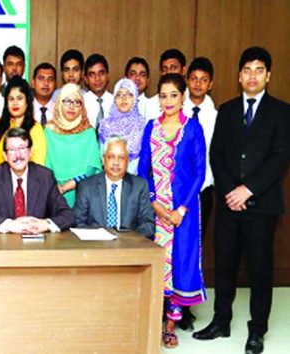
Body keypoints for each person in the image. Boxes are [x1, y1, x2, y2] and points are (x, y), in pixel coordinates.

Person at [195, 47, 290, 354]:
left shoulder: (282, 112)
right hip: (228, 204)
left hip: (262, 205)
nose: (252, 75)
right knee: (225, 265)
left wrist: (248, 190)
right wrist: (229, 192)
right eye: (247, 70)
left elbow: (280, 157)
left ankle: (257, 330)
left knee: (260, 269)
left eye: (258, 70)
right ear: (238, 76)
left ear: (268, 76)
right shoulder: (227, 110)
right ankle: (221, 321)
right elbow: (216, 155)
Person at [136, 73, 206, 349]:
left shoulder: (192, 129)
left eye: (173, 95)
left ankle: (170, 325)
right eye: (163, 96)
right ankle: (154, 320)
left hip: (183, 213)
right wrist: (154, 202)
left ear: (183, 97)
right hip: (156, 210)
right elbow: (143, 170)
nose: (168, 101)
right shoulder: (150, 128)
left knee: (179, 265)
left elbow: (200, 173)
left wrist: (180, 210)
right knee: (157, 264)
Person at [0, 128, 74, 233]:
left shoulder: (45, 176)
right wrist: (9, 225)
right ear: (5, 155)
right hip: (3, 245)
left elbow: (67, 215)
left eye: (22, 148)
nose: (18, 155)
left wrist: (46, 224)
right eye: (12, 149)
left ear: (30, 152)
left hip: (38, 245)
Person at [74, 137, 154, 238]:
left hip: (128, 248)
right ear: (103, 160)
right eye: (111, 157)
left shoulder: (139, 186)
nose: (116, 162)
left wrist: (126, 240)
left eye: (121, 157)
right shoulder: (86, 186)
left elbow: (148, 225)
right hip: (95, 248)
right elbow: (78, 223)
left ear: (128, 161)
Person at [44, 84, 101, 207]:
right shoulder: (49, 131)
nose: (71, 106)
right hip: (52, 192)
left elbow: (92, 169)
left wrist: (65, 187)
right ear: (59, 103)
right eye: (67, 101)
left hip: (82, 193)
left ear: (82, 107)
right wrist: (55, 187)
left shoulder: (88, 132)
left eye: (77, 102)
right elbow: (44, 166)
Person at [182, 57, 217, 240]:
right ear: (187, 80)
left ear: (210, 84)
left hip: (204, 188)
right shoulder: (175, 110)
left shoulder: (217, 116)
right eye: (194, 78)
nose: (198, 84)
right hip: (177, 186)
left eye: (203, 80)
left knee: (196, 240)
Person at [0, 77, 46, 166]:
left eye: (19, 98)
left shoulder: (34, 128)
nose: (15, 103)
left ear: (27, 101)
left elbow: (38, 164)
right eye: (11, 99)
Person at [98, 78, 145, 174]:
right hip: (109, 177)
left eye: (129, 94)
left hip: (134, 181)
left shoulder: (142, 125)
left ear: (135, 98)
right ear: (114, 99)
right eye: (119, 95)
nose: (124, 98)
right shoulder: (105, 125)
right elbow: (102, 156)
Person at [144, 49, 188, 124]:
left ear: (183, 70)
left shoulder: (193, 102)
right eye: (165, 69)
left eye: (173, 68)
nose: (168, 72)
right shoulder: (151, 104)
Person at [83, 53, 113, 128]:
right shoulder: (80, 103)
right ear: (86, 79)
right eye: (92, 74)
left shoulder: (116, 102)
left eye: (101, 73)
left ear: (108, 76)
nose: (97, 79)